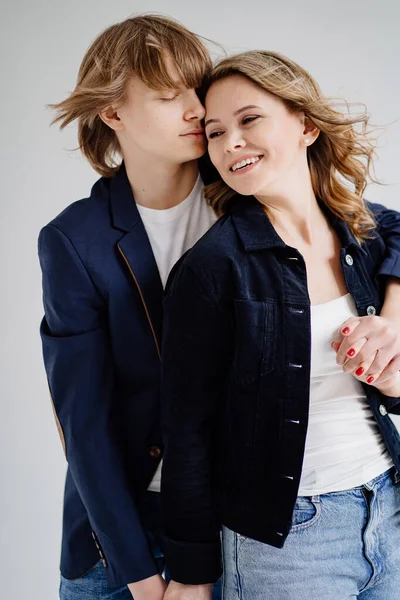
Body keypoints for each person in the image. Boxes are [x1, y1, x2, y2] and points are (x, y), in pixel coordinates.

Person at [160, 50, 400, 600]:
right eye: (215, 133)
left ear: (306, 125)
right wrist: (192, 574)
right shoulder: (211, 268)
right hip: (291, 542)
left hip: (387, 504)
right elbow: (186, 433)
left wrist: (393, 331)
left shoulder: (362, 232)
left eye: (249, 120)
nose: (230, 143)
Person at [38, 14, 222, 600]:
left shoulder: (247, 201)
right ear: (112, 113)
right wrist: (141, 580)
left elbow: (375, 227)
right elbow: (82, 422)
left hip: (236, 530)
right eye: (170, 96)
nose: (196, 110)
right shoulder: (75, 239)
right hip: (119, 542)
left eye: (200, 90)